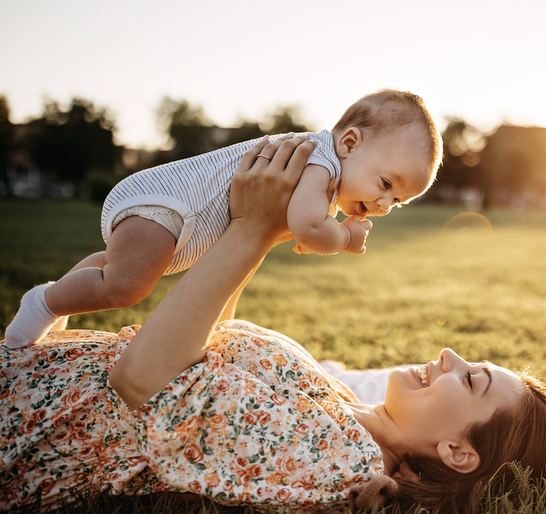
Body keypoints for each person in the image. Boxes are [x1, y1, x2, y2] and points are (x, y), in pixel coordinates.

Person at [0, 136, 546, 514]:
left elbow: (143, 381)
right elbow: (209, 351)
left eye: (471, 381)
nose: (448, 354)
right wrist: (259, 230)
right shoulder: (346, 412)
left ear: (456, 453)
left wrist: (252, 229)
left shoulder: (338, 463)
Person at [4, 90, 443, 349]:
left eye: (398, 201)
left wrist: (324, 229)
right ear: (349, 142)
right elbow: (309, 228)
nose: (385, 204)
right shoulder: (319, 161)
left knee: (115, 267)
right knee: (127, 285)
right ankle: (44, 301)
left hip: (169, 215)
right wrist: (344, 236)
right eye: (386, 183)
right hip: (169, 205)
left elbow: (299, 229)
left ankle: (62, 297)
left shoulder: (322, 173)